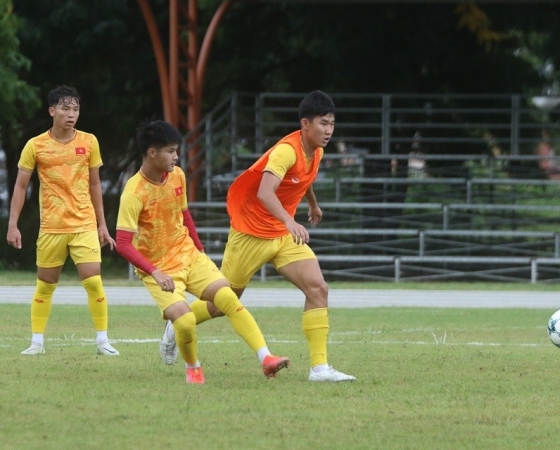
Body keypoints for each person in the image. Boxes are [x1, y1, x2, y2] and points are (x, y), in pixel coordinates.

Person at [162, 90, 355, 382]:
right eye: (323, 124)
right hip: (251, 233)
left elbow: (302, 178)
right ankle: (179, 321)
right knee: (223, 301)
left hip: (282, 235)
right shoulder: (285, 151)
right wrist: (290, 220)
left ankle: (319, 368)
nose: (329, 130)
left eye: (332, 124)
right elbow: (266, 192)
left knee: (318, 288)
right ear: (305, 124)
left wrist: (312, 204)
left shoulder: (315, 151)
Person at [115, 120, 289, 384]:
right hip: (159, 268)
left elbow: (184, 214)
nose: (177, 156)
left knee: (228, 299)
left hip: (189, 255)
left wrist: (199, 248)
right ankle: (193, 368)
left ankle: (266, 358)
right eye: (171, 151)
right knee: (184, 323)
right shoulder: (134, 192)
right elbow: (123, 242)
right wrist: (155, 272)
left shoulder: (178, 175)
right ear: (152, 153)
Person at [6, 85, 119, 356]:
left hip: (84, 224)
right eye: (66, 108)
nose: (72, 114)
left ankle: (103, 340)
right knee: (45, 285)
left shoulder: (89, 141)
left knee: (93, 282)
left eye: (76, 109)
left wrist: (102, 224)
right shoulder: (35, 145)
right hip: (52, 227)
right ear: (52, 111)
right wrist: (13, 224)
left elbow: (95, 185)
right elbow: (20, 187)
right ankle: (36, 342)